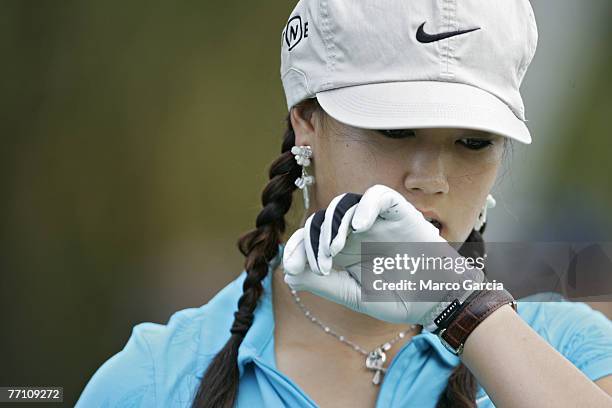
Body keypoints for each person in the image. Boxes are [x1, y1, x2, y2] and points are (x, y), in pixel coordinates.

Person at [76, 0, 612, 407]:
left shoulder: (572, 351)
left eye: (473, 143)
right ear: (306, 121)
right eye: (394, 130)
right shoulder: (155, 376)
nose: (431, 179)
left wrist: (460, 305)